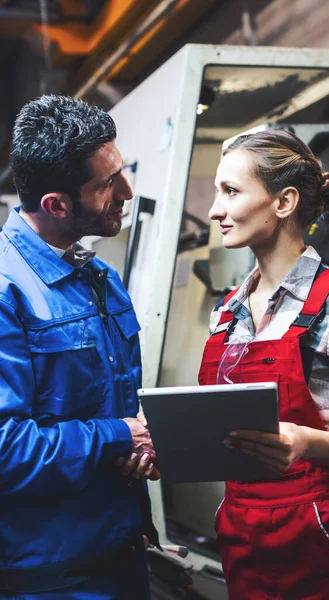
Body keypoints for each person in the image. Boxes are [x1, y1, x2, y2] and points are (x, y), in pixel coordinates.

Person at [198, 129, 329, 599]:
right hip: (244, 538)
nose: (215, 210)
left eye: (231, 191)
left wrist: (306, 442)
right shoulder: (226, 315)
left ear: (284, 202)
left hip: (324, 539)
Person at [0, 94, 160, 599]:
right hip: (53, 579)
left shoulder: (101, 278)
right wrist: (119, 436)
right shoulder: (7, 291)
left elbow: (121, 408)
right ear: (56, 204)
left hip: (126, 555)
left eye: (123, 172)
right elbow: (5, 448)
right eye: (108, 184)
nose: (128, 192)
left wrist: (145, 444)